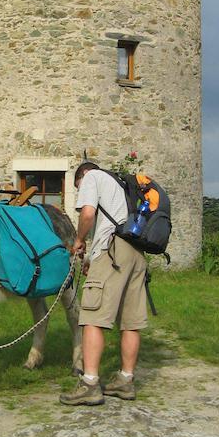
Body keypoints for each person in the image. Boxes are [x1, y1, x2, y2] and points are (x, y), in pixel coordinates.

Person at [59, 161, 148, 406]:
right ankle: (126, 380)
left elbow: (88, 214)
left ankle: (89, 384)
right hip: (135, 252)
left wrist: (79, 240)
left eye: (78, 188)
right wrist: (91, 259)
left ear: (82, 176)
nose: (80, 191)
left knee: (92, 316)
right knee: (130, 320)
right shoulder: (120, 185)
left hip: (112, 251)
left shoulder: (91, 177)